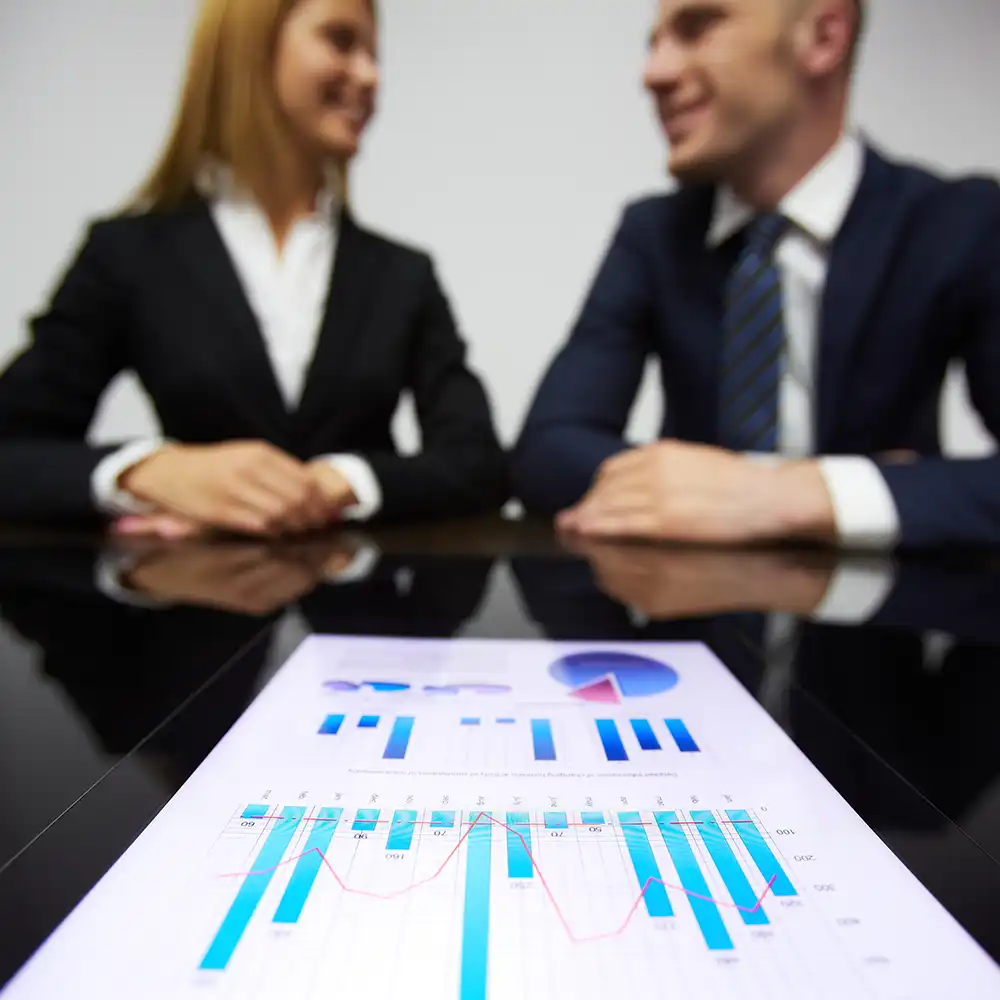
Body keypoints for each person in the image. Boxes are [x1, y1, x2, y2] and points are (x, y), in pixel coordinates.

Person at [0, 0, 506, 536]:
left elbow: (479, 463)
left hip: (359, 605)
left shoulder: (403, 275)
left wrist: (341, 481)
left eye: (375, 55)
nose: (370, 76)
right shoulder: (128, 254)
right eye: (341, 41)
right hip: (191, 607)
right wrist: (150, 471)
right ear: (250, 46)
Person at [512, 0, 1000, 550]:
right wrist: (762, 490)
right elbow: (546, 452)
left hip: (881, 622)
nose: (653, 73)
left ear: (823, 37)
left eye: (698, 28)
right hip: (691, 611)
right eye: (653, 43)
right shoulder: (653, 233)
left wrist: (802, 497)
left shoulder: (958, 223)